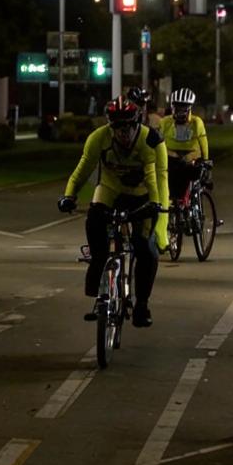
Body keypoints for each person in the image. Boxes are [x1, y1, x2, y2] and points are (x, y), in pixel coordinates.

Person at [57, 96, 165, 327]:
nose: (123, 132)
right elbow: (82, 170)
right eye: (117, 127)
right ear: (110, 126)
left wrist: (156, 205)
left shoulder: (150, 140)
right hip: (110, 190)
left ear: (137, 123)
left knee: (144, 247)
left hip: (142, 194)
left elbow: (155, 179)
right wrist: (69, 195)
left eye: (129, 126)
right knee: (95, 224)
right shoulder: (98, 138)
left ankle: (142, 305)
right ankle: (99, 284)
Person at [126, 87, 169, 239]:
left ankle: (160, 232)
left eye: (141, 105)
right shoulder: (123, 119)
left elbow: (159, 144)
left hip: (149, 163)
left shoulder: (154, 122)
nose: (139, 108)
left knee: (159, 183)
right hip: (127, 163)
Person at [159, 88, 211, 207]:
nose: (180, 112)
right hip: (171, 158)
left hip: (190, 159)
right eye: (177, 108)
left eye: (184, 109)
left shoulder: (196, 122)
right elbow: (159, 143)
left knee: (193, 173)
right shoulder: (165, 122)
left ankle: (192, 204)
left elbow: (204, 143)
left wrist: (206, 160)